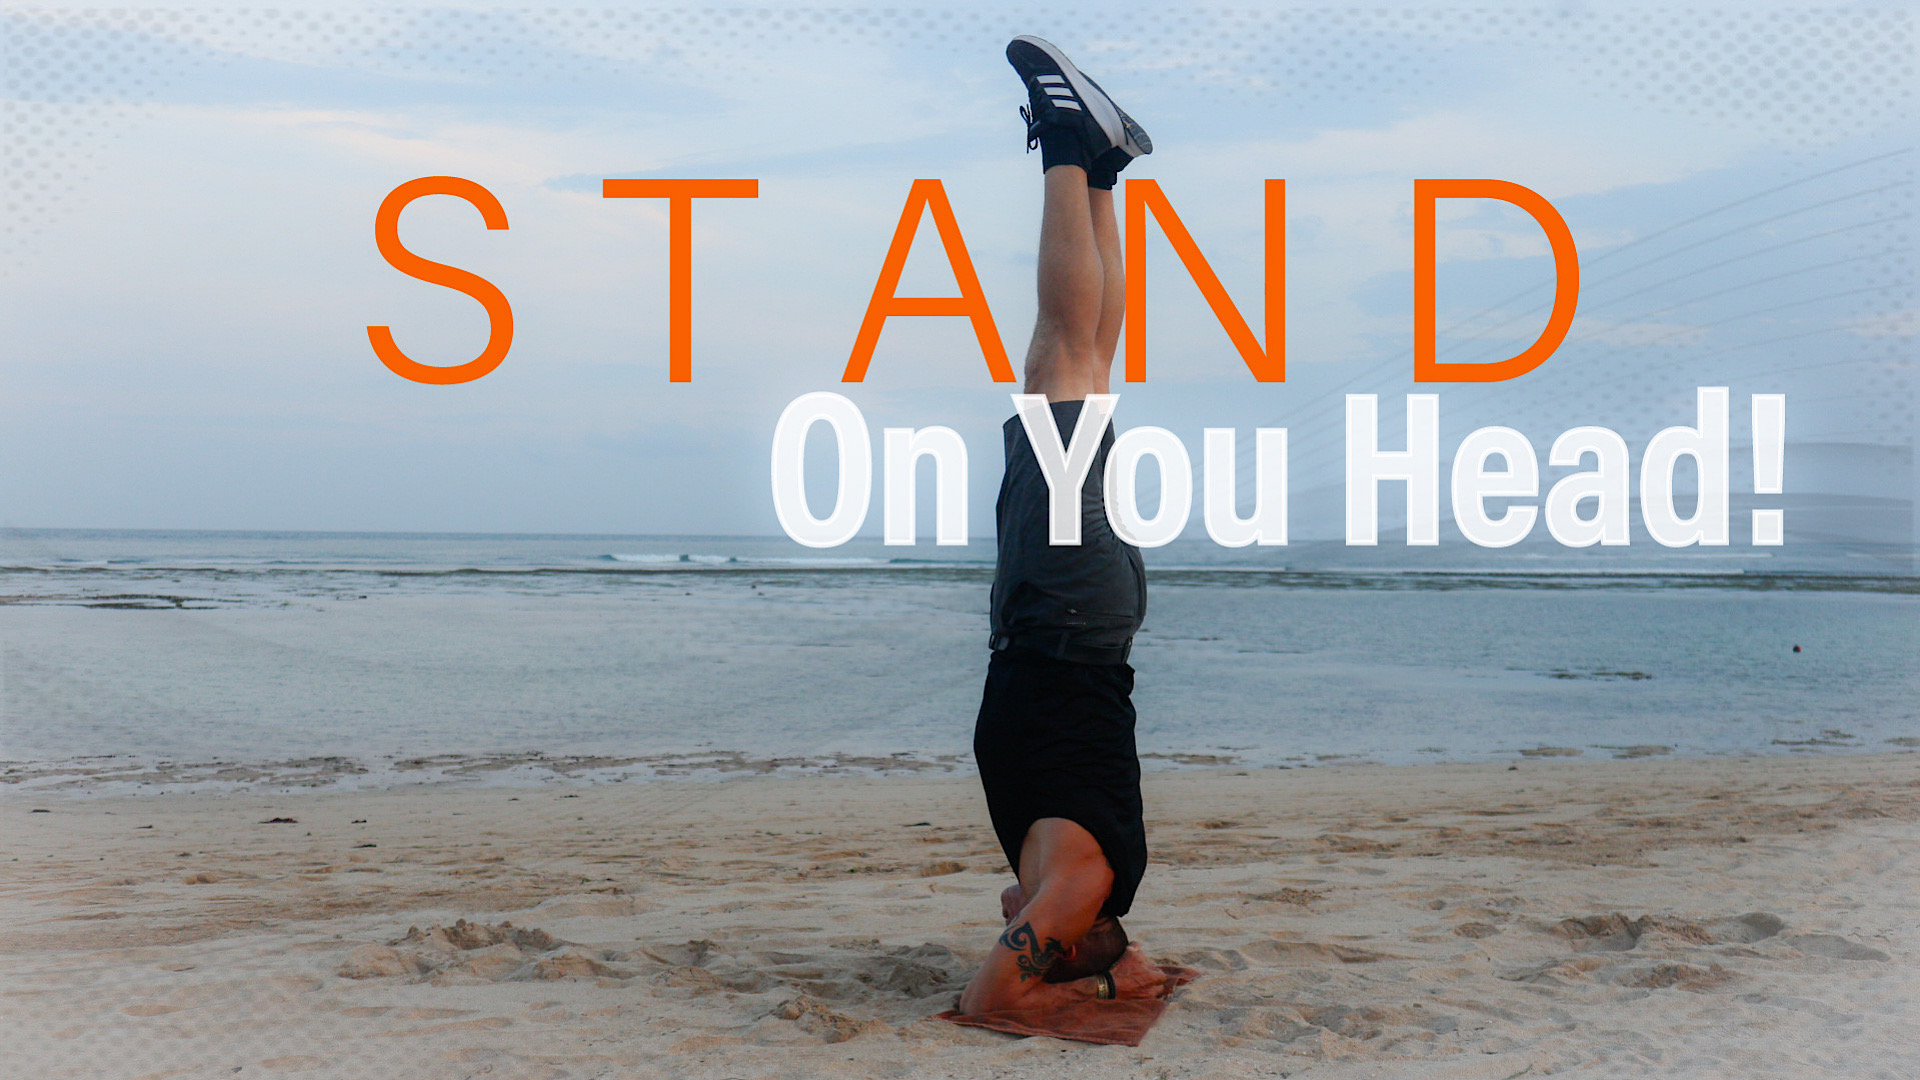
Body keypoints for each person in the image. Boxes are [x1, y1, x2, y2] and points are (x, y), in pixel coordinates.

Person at [957, 35, 1168, 1015]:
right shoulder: (1082, 884)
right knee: (1059, 366)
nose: (1011, 919)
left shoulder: (1085, 886)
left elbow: (1053, 949)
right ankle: (1067, 143)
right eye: (1035, 938)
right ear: (1070, 940)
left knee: (1083, 365)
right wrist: (1085, 989)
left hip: (1064, 610)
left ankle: (1106, 169)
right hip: (1067, 611)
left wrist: (1123, 972)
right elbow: (994, 1000)